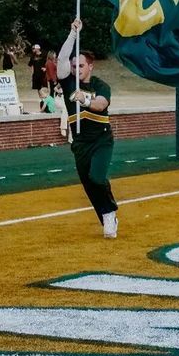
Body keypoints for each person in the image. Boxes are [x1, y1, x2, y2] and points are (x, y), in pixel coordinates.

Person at [56, 18, 119, 239]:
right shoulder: (68, 84)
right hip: (80, 142)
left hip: (101, 140)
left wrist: (84, 101)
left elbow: (101, 104)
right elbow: (62, 58)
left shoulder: (100, 85)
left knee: (97, 177)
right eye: (74, 66)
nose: (76, 69)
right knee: (88, 183)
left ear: (90, 66)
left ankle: (110, 211)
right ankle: (105, 217)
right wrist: (73, 34)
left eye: (81, 65)